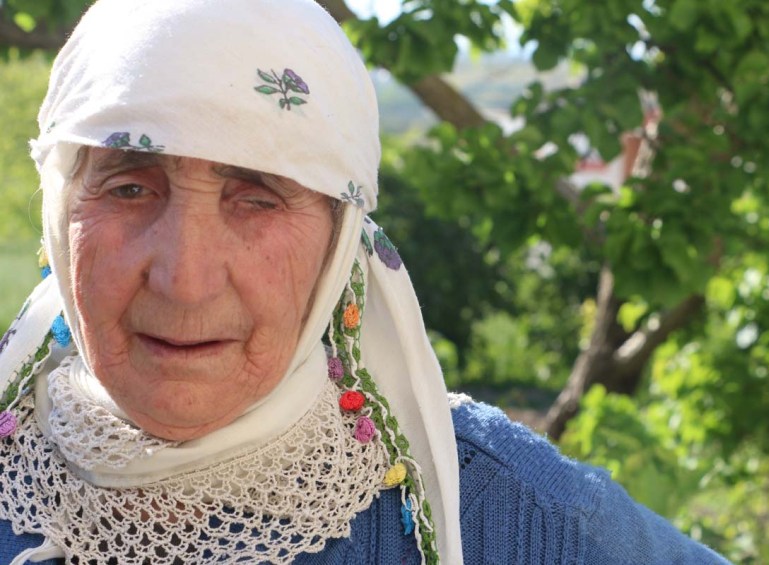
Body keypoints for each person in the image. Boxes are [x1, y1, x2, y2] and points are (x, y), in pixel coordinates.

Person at [0, 1, 732, 563]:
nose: (185, 280)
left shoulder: (510, 511)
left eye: (257, 196)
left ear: (341, 241)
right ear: (62, 209)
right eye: (129, 188)